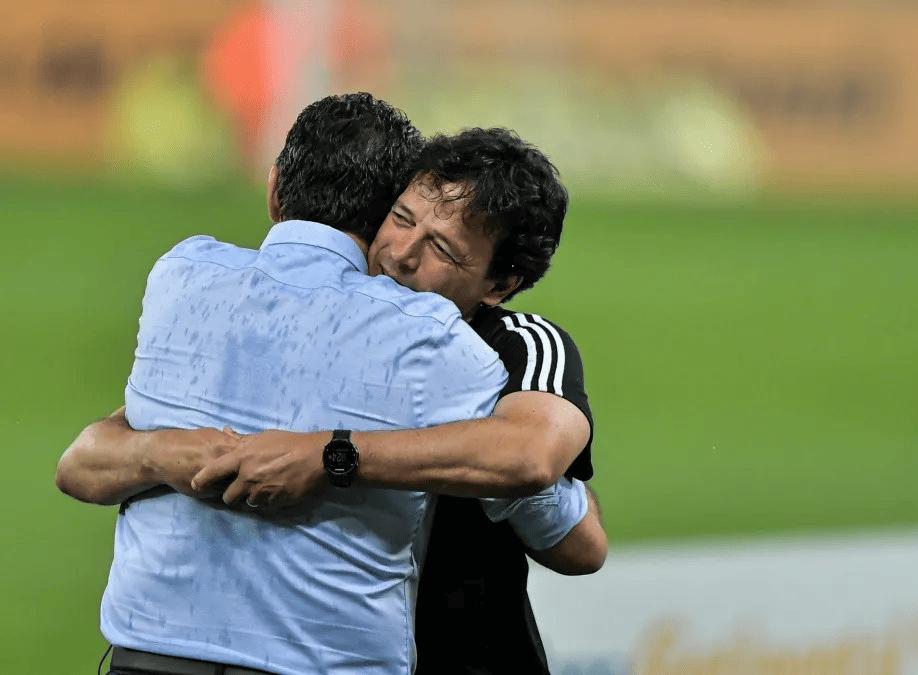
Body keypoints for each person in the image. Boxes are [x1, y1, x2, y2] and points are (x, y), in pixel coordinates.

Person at [55, 94, 602, 675]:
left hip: (461, 654)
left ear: (500, 283)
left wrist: (332, 454)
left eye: (442, 248)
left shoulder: (511, 348)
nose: (401, 255)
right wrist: (159, 451)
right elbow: (84, 461)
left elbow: (551, 491)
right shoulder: (314, 316)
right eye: (400, 218)